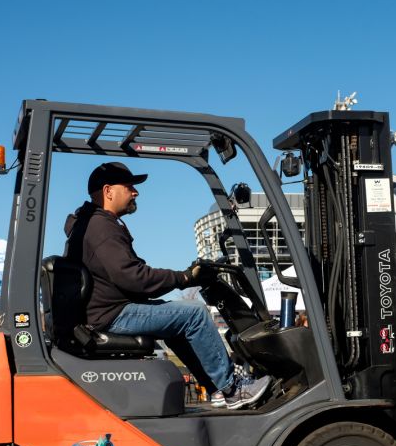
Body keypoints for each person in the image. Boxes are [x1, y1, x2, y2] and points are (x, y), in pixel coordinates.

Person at [64, 161, 271, 410]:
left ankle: (217, 389)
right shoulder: (101, 228)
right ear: (108, 191)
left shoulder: (92, 224)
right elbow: (134, 278)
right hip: (111, 315)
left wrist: (181, 277)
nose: (135, 192)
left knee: (176, 321)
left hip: (106, 310)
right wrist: (183, 278)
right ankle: (232, 388)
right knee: (193, 314)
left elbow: (128, 276)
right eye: (129, 186)